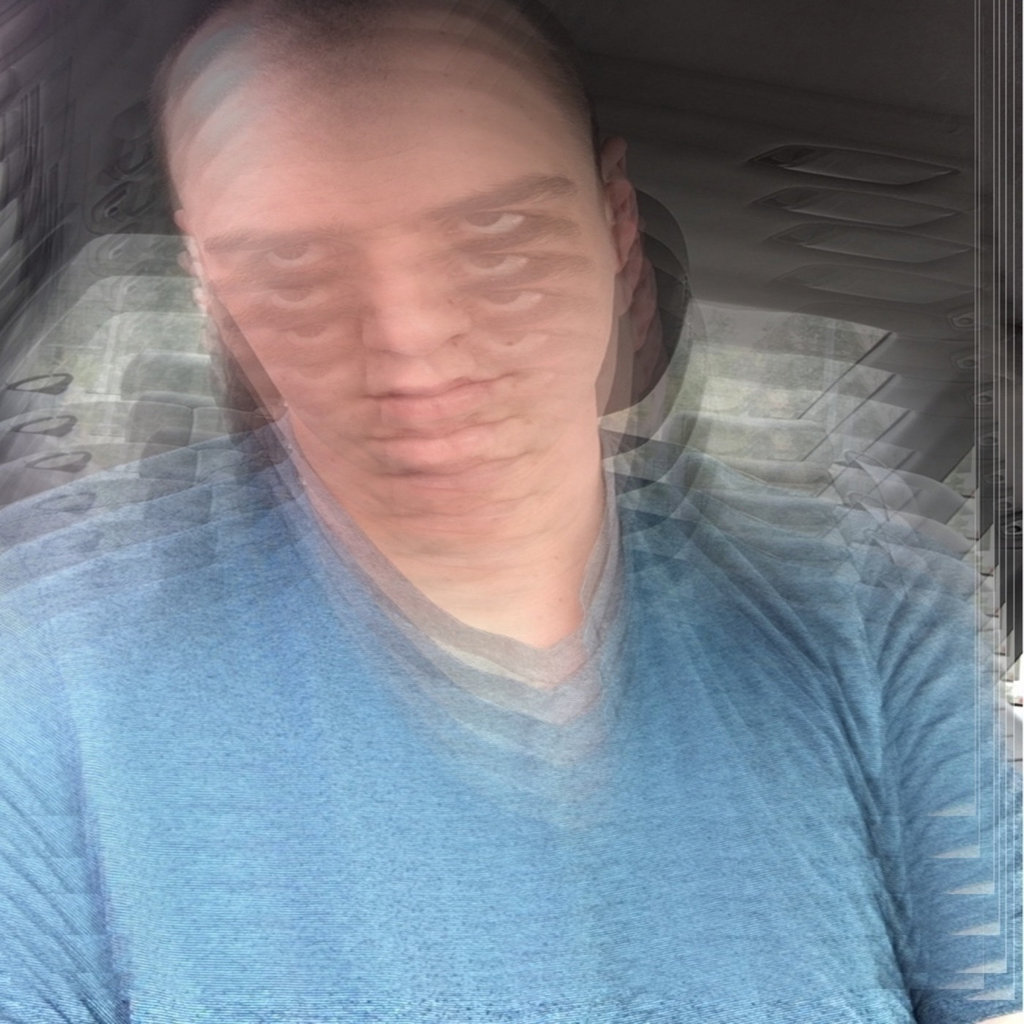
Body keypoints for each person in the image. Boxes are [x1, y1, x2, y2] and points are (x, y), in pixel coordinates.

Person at [0, 0, 1019, 1021]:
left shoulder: (865, 602)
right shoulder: (59, 689)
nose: (411, 347)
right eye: (294, 273)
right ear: (211, 292)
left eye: (495, 240)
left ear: (616, 230)